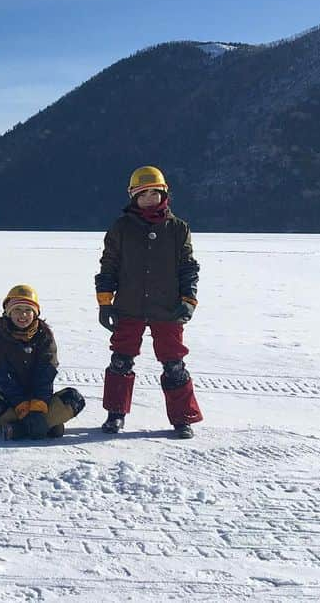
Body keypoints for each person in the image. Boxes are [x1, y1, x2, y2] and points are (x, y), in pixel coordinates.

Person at [95, 165, 203, 439]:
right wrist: (105, 302)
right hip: (128, 307)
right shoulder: (121, 228)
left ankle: (183, 419)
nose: (149, 199)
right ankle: (115, 415)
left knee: (174, 364)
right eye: (143, 194)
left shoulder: (178, 229)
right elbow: (108, 266)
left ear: (163, 194)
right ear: (133, 197)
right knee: (121, 361)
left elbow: (188, 267)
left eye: (154, 193)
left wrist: (188, 299)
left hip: (167, 309)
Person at [0, 284, 86, 440]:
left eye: (28, 310)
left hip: (40, 400)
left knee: (74, 398)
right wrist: (21, 406)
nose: (23, 315)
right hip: (9, 401)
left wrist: (38, 406)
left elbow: (46, 373)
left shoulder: (45, 337)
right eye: (17, 310)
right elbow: (2, 377)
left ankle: (20, 429)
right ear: (8, 312)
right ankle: (47, 425)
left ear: (35, 313)